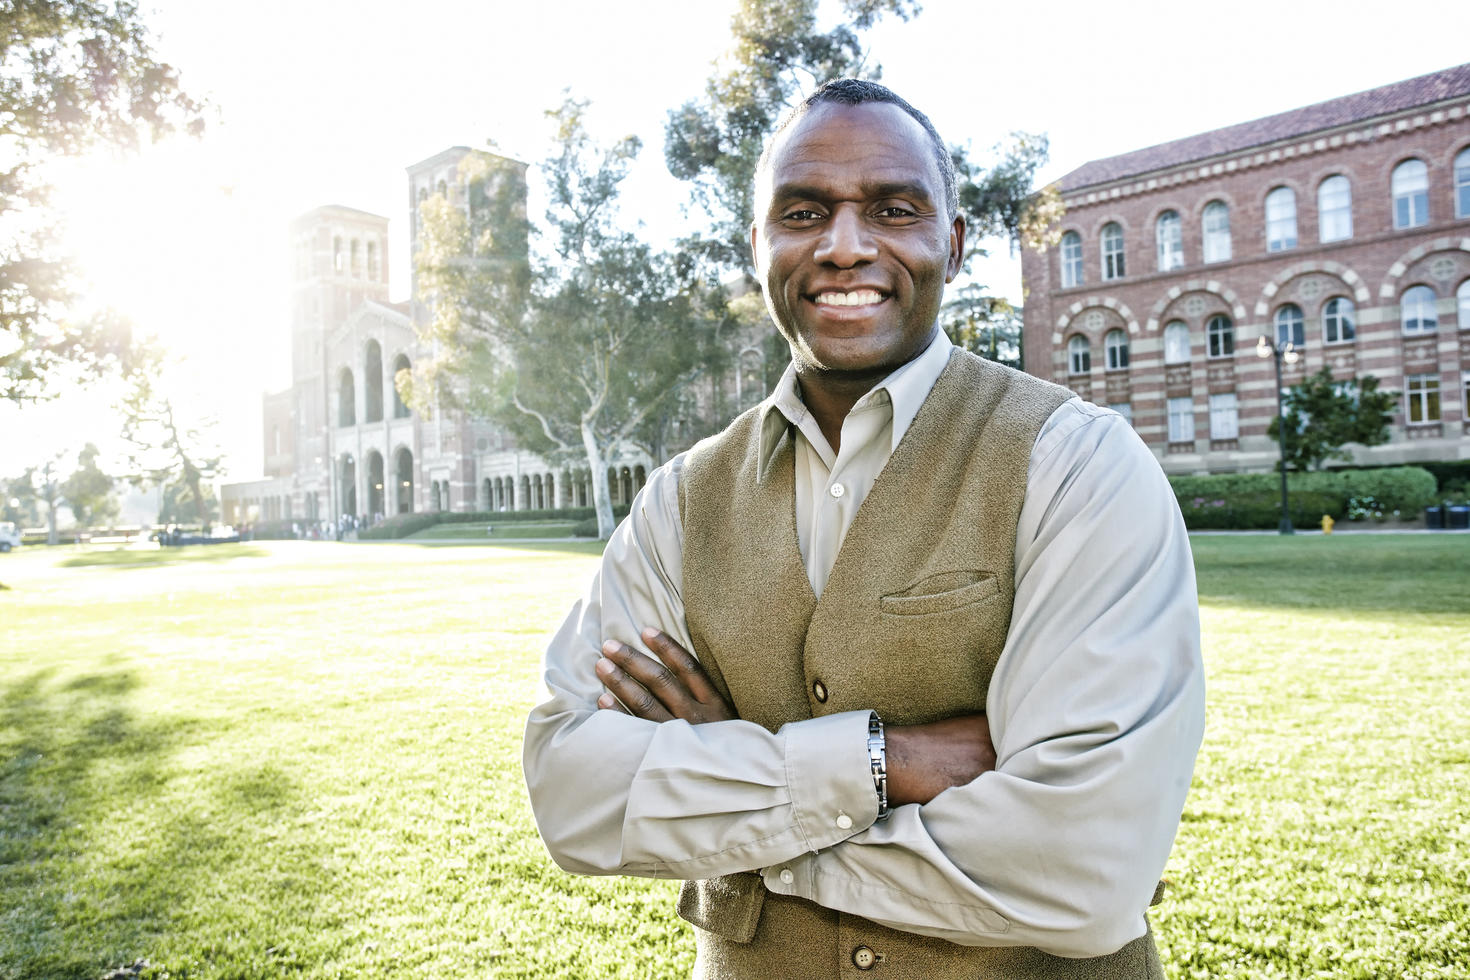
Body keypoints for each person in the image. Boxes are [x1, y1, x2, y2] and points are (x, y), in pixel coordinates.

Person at [523, 78, 1205, 979]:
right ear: (757, 246)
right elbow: (573, 794)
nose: (845, 247)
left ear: (952, 243)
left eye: (893, 209)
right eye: (803, 212)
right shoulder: (678, 503)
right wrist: (887, 762)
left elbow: (1083, 867)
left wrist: (740, 814)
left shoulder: (1077, 464)